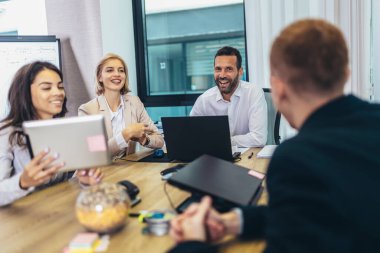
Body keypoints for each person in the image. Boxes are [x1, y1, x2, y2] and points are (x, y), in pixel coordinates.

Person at [169, 19, 380, 252]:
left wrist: (192, 243)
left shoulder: (296, 159)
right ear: (345, 74)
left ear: (277, 88)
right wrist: (234, 222)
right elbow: (312, 212)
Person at [0, 61, 103, 206]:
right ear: (25, 93)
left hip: (54, 215)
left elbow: (59, 185)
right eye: (47, 88)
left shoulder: (59, 129)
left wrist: (82, 181)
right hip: (19, 222)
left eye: (60, 87)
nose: (58, 93)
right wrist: (22, 182)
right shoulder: (6, 133)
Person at [78, 53, 164, 158]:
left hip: (127, 170)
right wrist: (126, 134)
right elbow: (94, 154)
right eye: (110, 70)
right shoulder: (88, 110)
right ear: (99, 77)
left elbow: (159, 140)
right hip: (100, 172)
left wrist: (145, 139)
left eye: (121, 70)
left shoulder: (134, 103)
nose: (117, 74)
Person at [190, 46, 267, 147]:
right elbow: (191, 134)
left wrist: (221, 141)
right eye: (218, 69)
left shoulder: (253, 93)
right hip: (214, 156)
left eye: (228, 69)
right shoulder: (204, 100)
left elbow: (258, 138)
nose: (222, 75)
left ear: (240, 72)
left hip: (248, 157)